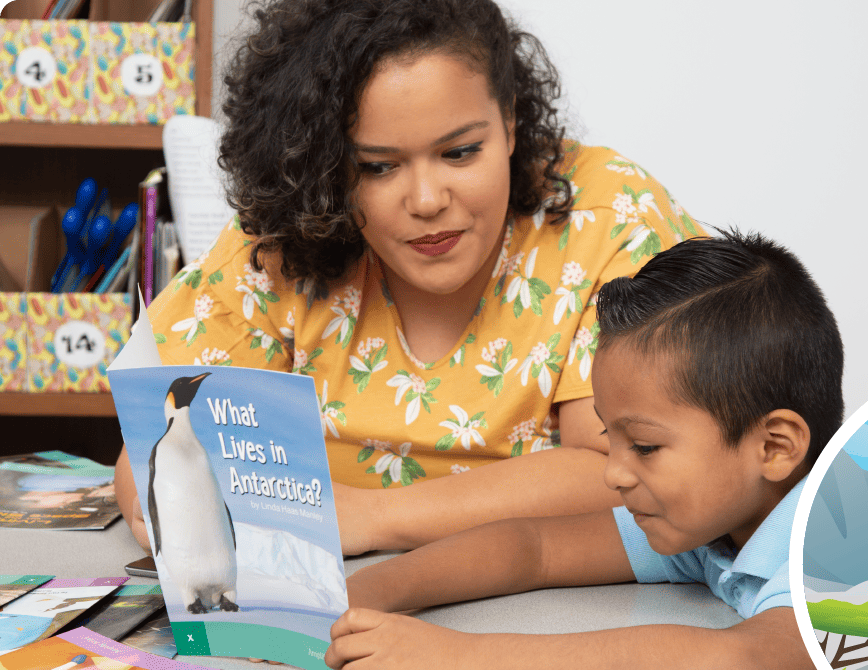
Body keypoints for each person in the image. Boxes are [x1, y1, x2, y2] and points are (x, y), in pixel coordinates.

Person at [114, 0, 699, 555]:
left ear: (512, 124)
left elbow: (620, 471)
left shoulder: (611, 221)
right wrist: (152, 483)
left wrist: (373, 518)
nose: (426, 200)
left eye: (461, 152)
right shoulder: (281, 238)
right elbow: (165, 425)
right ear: (323, 163)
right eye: (377, 166)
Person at [324, 229, 845, 670]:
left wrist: (460, 662)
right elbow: (535, 550)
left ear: (775, 448)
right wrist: (365, 593)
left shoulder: (846, 550)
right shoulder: (716, 520)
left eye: (643, 446)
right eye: (608, 437)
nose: (613, 475)